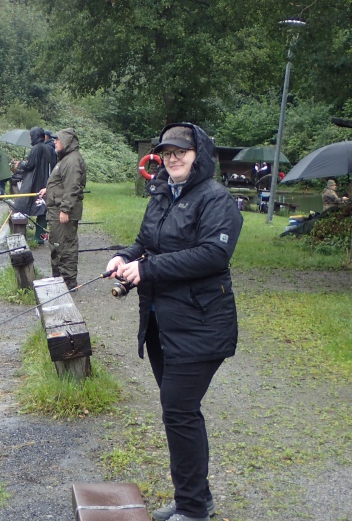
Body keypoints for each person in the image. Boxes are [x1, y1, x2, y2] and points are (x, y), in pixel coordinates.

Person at [106, 123, 243, 521]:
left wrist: (147, 269)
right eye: (167, 152)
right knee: (179, 411)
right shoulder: (162, 192)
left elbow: (213, 255)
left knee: (179, 411)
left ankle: (193, 509)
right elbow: (145, 243)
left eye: (181, 151)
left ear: (199, 154)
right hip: (160, 323)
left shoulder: (216, 199)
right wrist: (123, 256)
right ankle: (197, 498)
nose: (173, 158)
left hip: (201, 324)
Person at [37, 128, 86, 290]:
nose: (54, 142)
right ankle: (58, 280)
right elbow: (62, 183)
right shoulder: (66, 159)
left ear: (66, 141)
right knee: (57, 245)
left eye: (57, 139)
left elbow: (72, 187)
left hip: (63, 211)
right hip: (56, 210)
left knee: (65, 247)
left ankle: (67, 283)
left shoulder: (72, 161)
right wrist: (49, 190)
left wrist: (65, 209)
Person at [15, 127, 57, 244]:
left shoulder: (36, 148)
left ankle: (22, 234)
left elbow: (30, 165)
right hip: (46, 182)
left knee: (22, 205)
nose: (29, 138)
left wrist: (21, 164)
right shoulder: (50, 149)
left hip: (34, 183)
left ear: (35, 136)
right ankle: (40, 237)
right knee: (42, 209)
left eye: (30, 136)